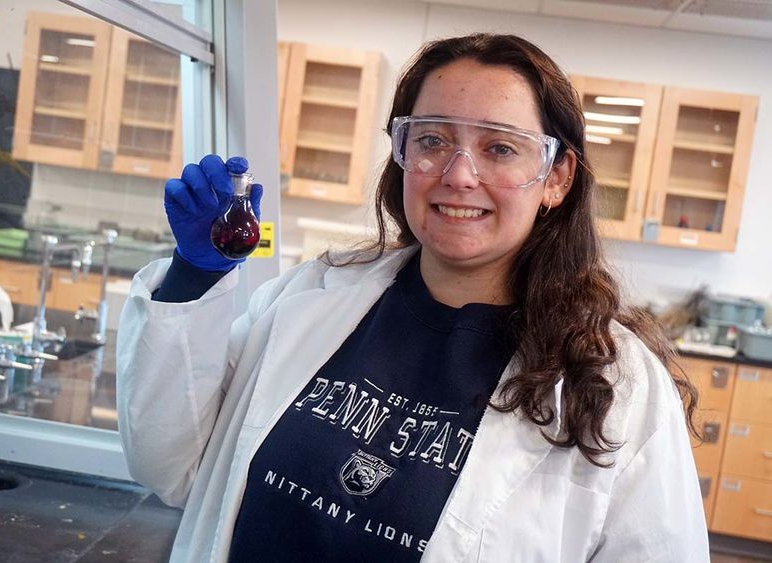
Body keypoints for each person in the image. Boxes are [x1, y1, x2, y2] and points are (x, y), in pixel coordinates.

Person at [117, 33, 708, 562]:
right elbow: (171, 466)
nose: (457, 174)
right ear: (403, 155)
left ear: (555, 177)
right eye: (432, 139)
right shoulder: (313, 295)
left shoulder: (621, 389)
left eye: (500, 148)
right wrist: (192, 275)